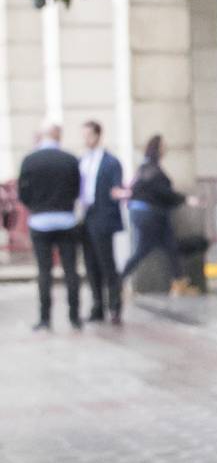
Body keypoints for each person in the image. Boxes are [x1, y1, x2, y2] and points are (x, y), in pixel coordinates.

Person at [17, 122, 84, 333]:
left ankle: (45, 318)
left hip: (40, 221)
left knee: (44, 272)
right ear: (58, 137)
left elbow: (22, 193)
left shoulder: (30, 160)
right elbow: (77, 189)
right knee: (70, 271)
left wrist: (36, 207)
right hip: (65, 219)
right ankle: (74, 317)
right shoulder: (70, 159)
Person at [119, 134, 200, 298]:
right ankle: (118, 281)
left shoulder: (144, 169)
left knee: (170, 247)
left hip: (144, 213)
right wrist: (185, 199)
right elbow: (164, 193)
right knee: (145, 249)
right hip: (152, 214)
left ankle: (179, 282)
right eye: (163, 146)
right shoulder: (154, 171)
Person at [76, 120, 125, 325]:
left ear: (97, 135)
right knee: (90, 264)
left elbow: (116, 187)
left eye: (88, 134)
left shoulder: (111, 162)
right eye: (83, 134)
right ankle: (98, 306)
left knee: (107, 263)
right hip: (85, 216)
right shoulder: (82, 161)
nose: (85, 139)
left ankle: (114, 305)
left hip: (102, 216)